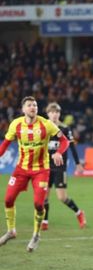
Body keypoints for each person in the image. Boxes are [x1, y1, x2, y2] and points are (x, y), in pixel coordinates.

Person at [0, 96, 69, 251]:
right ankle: (11, 231)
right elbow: (4, 145)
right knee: (8, 200)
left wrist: (59, 152)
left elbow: (65, 141)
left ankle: (36, 235)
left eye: (35, 105)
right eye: (30, 105)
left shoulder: (47, 124)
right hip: (21, 170)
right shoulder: (16, 124)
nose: (33, 107)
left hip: (41, 170)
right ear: (23, 109)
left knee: (39, 204)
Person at [42, 102, 86, 231]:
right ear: (48, 114)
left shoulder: (65, 129)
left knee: (62, 197)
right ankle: (45, 221)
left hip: (59, 167)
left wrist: (78, 164)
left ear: (59, 114)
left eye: (57, 112)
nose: (54, 114)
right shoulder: (44, 128)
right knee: (44, 196)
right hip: (45, 166)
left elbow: (72, 147)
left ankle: (79, 213)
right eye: (52, 112)